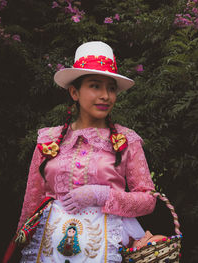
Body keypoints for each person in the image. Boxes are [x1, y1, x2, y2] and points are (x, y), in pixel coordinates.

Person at [13, 41, 157, 262]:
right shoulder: (49, 140)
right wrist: (21, 239)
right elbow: (32, 200)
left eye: (111, 88)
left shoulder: (127, 140)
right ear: (74, 92)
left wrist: (102, 195)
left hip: (108, 247)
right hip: (49, 249)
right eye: (95, 86)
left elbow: (148, 200)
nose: (106, 96)